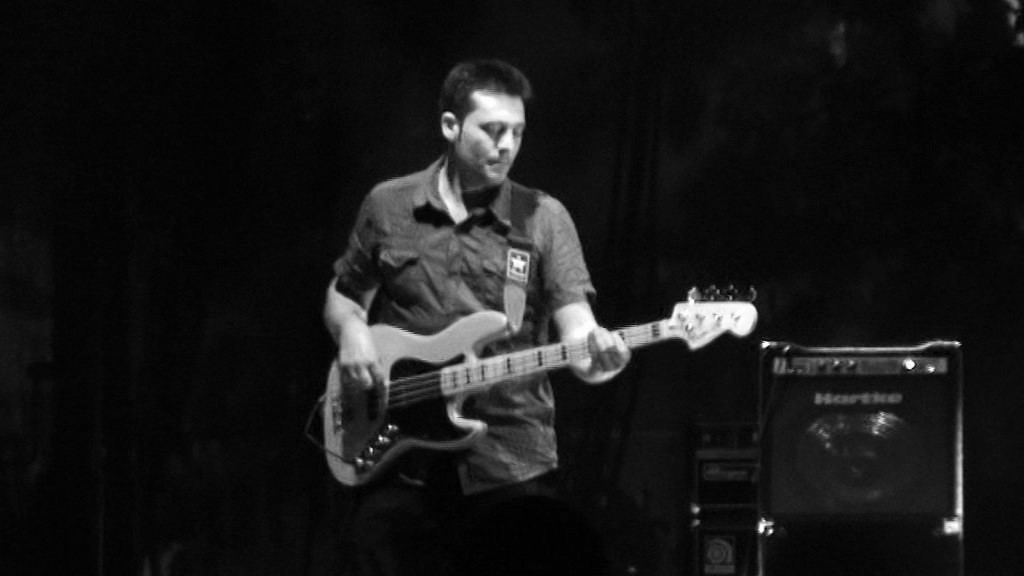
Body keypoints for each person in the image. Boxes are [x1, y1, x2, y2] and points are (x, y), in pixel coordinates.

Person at [323, 58, 630, 576]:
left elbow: (578, 330)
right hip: (400, 461)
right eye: (492, 130)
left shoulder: (542, 217)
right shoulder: (388, 205)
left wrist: (600, 356)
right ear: (451, 126)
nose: (507, 145)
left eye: (517, 132)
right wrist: (352, 330)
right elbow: (345, 295)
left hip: (511, 461)